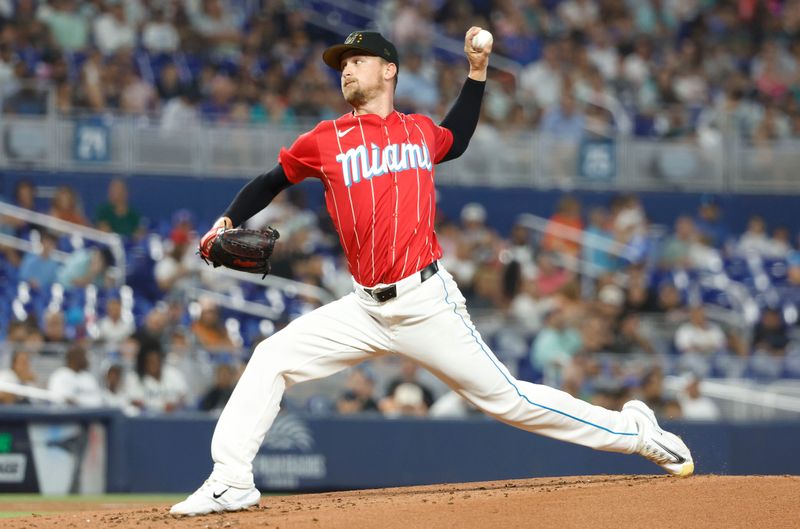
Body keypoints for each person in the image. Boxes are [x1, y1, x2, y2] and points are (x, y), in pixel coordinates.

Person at [171, 29, 693, 517]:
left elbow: (457, 137)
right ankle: (231, 479)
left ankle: (635, 432)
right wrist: (228, 220)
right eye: (342, 64)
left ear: (389, 71)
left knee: (508, 400)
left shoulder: (417, 131)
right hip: (363, 307)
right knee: (272, 357)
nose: (346, 71)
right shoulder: (323, 139)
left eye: (358, 61)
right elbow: (270, 180)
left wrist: (477, 70)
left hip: (425, 302)